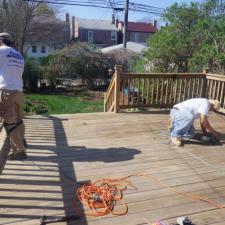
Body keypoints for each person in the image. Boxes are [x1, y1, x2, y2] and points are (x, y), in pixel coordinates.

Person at [0, 32, 27, 160]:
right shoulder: (19, 55)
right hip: (19, 92)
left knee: (9, 123)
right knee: (18, 120)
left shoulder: (2, 51)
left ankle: (19, 151)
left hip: (7, 92)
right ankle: (22, 141)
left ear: (1, 40)